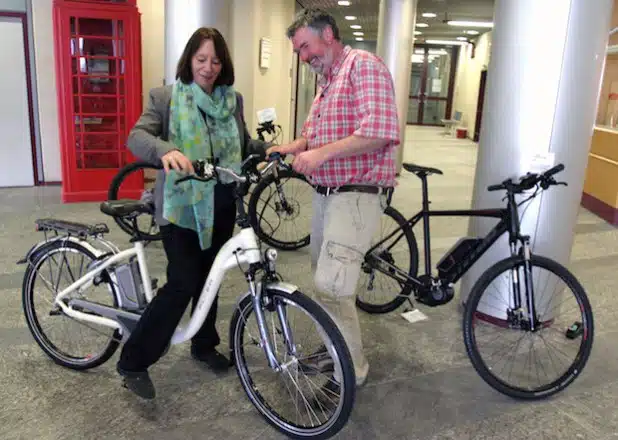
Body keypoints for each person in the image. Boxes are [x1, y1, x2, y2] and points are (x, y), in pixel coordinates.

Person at [116, 27, 268, 400]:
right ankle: (133, 361)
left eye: (216, 60)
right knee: (183, 282)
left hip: (221, 204)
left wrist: (268, 149)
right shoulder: (166, 97)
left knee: (210, 278)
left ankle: (203, 345)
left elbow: (241, 141)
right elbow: (136, 136)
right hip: (180, 208)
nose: (209, 67)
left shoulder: (233, 100)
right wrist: (164, 150)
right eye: (201, 59)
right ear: (189, 60)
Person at [268, 8, 400, 399]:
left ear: (328, 34)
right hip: (328, 196)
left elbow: (379, 131)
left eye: (305, 47)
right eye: (298, 52)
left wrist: (321, 155)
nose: (304, 57)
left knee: (334, 284)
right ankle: (335, 350)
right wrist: (294, 147)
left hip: (356, 194)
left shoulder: (363, 66)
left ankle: (351, 371)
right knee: (323, 279)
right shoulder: (327, 80)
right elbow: (314, 134)